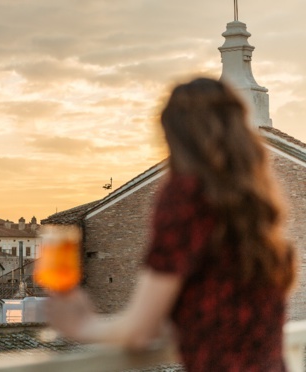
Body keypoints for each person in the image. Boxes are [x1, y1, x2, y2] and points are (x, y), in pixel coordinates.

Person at [46, 77, 297, 371]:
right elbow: (213, 319)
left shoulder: (186, 196)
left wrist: (82, 327)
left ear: (175, 136)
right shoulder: (257, 207)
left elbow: (139, 332)